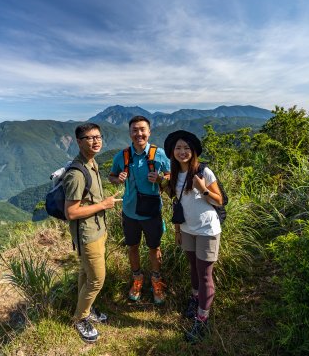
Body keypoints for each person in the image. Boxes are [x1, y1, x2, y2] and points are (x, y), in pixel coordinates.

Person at [163, 130, 224, 343]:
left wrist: (203, 190)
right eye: (178, 148)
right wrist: (178, 231)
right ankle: (195, 299)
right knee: (193, 268)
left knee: (205, 273)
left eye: (186, 148)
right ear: (172, 152)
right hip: (187, 229)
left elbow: (220, 201)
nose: (182, 152)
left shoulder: (204, 172)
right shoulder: (174, 175)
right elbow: (177, 204)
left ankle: (202, 320)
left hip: (207, 230)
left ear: (193, 151)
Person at [63, 123, 122, 343]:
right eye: (89, 138)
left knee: (86, 274)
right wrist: (104, 205)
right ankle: (80, 318)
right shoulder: (77, 174)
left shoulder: (92, 162)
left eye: (98, 137)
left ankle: (86, 308)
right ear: (79, 142)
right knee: (97, 279)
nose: (96, 141)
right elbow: (71, 212)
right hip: (88, 235)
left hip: (98, 230)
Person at [109, 116, 171, 304]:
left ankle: (156, 281)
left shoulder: (158, 154)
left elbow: (171, 176)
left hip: (151, 211)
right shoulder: (123, 156)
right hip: (129, 212)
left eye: (142, 129)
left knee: (154, 247)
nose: (139, 134)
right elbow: (111, 176)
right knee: (132, 246)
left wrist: (160, 179)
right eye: (135, 130)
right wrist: (117, 179)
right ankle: (137, 279)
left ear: (149, 132)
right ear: (130, 133)